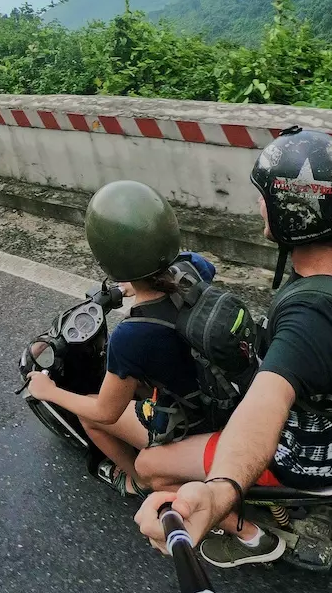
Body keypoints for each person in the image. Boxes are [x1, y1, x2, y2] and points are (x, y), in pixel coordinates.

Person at [134, 49, 332, 567]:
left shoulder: (309, 320)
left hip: (310, 456)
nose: (259, 204)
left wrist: (218, 492)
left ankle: (244, 532)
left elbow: (264, 407)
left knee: (151, 463)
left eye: (266, 197)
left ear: (292, 213)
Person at [27, 180, 217, 498]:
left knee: (90, 415)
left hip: (192, 421)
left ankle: (136, 481)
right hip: (214, 388)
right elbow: (189, 264)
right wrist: (137, 282)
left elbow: (106, 412)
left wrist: (50, 391)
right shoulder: (194, 269)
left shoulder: (131, 337)